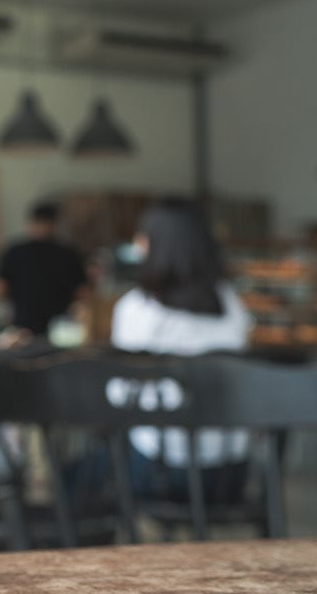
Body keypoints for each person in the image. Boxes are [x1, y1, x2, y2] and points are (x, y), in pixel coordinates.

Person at [110, 197, 252, 501]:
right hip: (230, 472)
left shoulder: (136, 309)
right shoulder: (232, 305)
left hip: (160, 472)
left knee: (99, 462)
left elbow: (121, 394)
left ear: (152, 244)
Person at [0, 201, 87, 337]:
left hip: (27, 325)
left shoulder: (16, 251)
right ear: (55, 224)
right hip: (58, 327)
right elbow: (82, 293)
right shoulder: (68, 252)